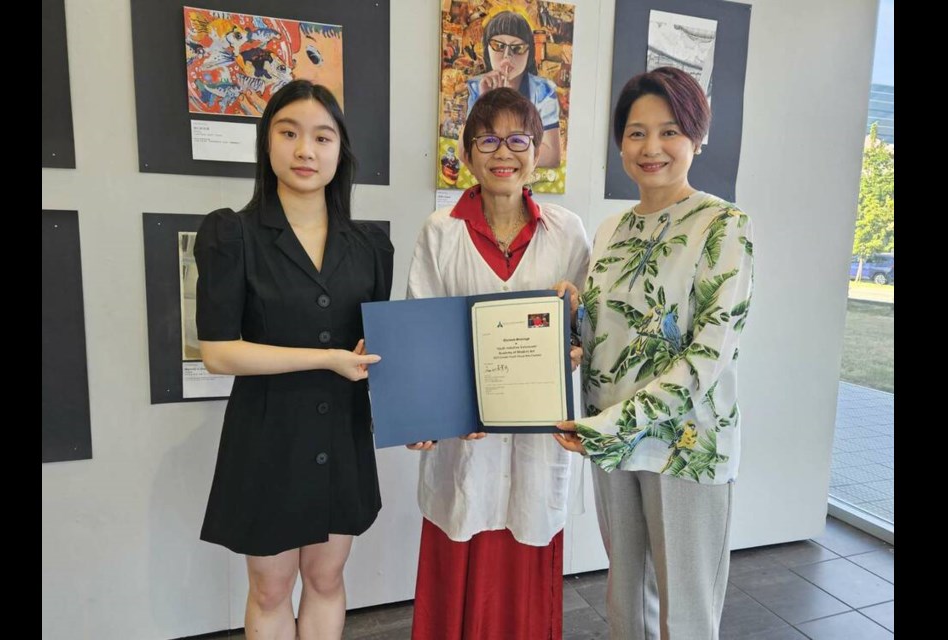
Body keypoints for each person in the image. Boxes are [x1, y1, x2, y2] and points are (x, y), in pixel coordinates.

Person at [554, 67, 755, 640]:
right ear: (621, 142)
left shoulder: (724, 226)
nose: (651, 148)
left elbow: (707, 357)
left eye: (669, 131)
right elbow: (608, 339)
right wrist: (571, 319)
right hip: (612, 439)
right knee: (625, 600)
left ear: (697, 136)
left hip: (687, 443)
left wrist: (612, 425)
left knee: (686, 613)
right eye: (636, 132)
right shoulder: (612, 229)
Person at [193, 79, 393, 640]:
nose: (306, 150)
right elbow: (217, 353)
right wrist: (326, 358)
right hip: (268, 434)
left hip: (343, 431)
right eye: (290, 133)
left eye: (322, 137)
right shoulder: (231, 234)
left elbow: (375, 345)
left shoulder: (371, 245)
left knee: (326, 580)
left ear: (340, 150)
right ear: (267, 143)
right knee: (271, 588)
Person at [406, 87, 590, 639]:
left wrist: (576, 334)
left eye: (518, 139)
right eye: (487, 139)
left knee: (525, 576)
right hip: (465, 447)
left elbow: (585, 335)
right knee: (459, 553)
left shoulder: (568, 232)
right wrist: (429, 415)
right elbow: (422, 335)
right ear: (467, 154)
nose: (503, 152)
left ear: (538, 152)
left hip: (537, 444)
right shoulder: (441, 231)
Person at [467, 10, 561, 167]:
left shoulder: (543, 90)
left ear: (529, 53)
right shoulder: (477, 87)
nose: (507, 56)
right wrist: (485, 101)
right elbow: (467, 151)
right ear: (486, 48)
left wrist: (494, 153)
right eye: (498, 46)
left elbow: (552, 156)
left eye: (517, 49)